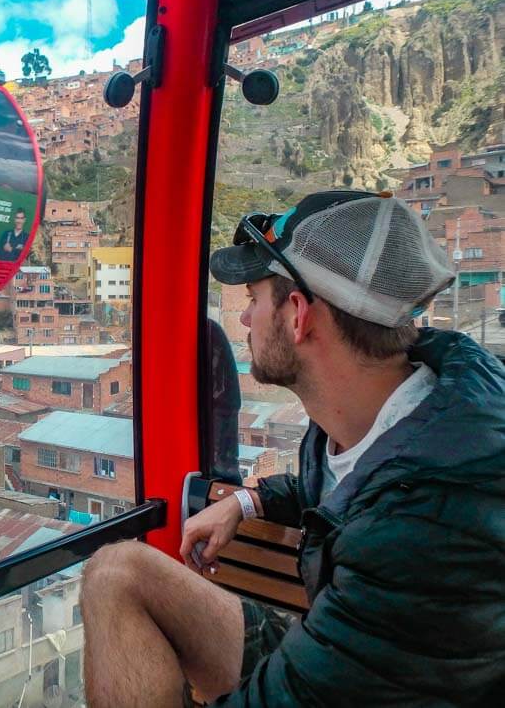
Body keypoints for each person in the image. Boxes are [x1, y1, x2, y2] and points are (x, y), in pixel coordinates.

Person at [80, 190, 505, 706]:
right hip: (344, 651)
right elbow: (324, 488)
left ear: (298, 315)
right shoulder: (389, 416)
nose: (244, 320)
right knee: (116, 572)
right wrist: (244, 502)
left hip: (356, 673)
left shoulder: (422, 526)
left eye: (255, 299)